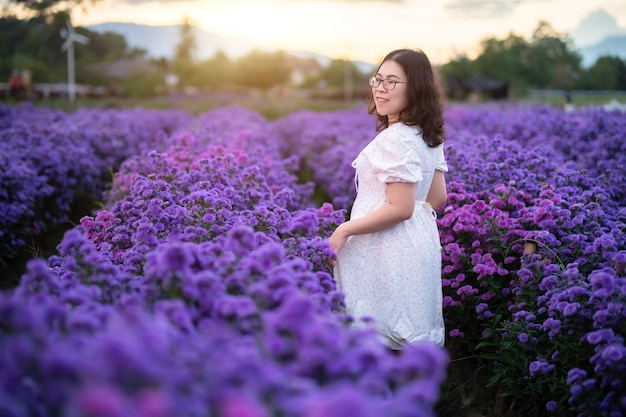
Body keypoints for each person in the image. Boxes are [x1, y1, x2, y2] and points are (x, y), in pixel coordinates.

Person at [328, 48, 448, 349]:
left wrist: (345, 228)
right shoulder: (426, 134)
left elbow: (402, 207)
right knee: (408, 334)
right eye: (378, 79)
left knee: (379, 336)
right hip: (416, 247)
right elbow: (436, 197)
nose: (380, 89)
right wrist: (406, 230)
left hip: (382, 250)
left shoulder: (395, 139)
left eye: (391, 82)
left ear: (416, 88)